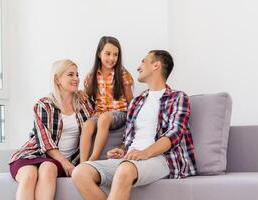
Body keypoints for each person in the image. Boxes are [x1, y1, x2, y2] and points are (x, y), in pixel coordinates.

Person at [72, 50, 197, 200]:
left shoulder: (178, 97)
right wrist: (123, 150)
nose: (138, 67)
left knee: (125, 169)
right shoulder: (137, 102)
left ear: (156, 65)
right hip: (131, 160)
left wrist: (144, 153)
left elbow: (174, 135)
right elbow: (129, 139)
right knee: (80, 173)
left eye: (143, 62)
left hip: (161, 158)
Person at [9, 59, 93, 200]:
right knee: (29, 175)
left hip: (61, 161)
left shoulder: (85, 104)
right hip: (34, 153)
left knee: (48, 168)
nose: (76, 79)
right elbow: (45, 141)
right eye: (70, 75)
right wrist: (65, 164)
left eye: (77, 75)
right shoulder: (43, 105)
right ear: (57, 79)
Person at [80, 36, 134, 162]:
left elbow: (131, 101)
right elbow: (86, 95)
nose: (112, 58)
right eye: (108, 53)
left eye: (115, 54)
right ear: (99, 54)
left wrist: (133, 120)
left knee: (104, 118)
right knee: (87, 125)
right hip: (100, 113)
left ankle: (93, 159)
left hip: (119, 113)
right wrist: (79, 92)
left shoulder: (122, 74)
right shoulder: (92, 76)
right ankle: (82, 163)